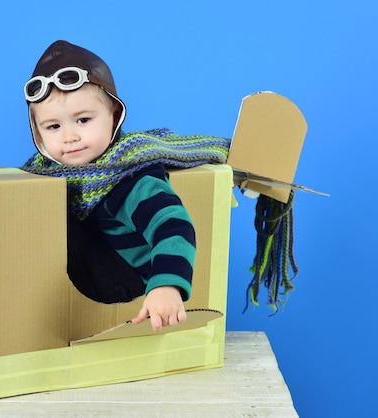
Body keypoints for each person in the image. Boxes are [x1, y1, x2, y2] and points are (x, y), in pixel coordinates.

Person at [20, 41, 226, 332]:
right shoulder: (49, 173)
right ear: (38, 133)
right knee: (28, 211)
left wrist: (166, 284)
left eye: (83, 120)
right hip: (98, 265)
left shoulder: (131, 177)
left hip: (131, 279)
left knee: (54, 228)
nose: (69, 136)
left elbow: (175, 227)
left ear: (114, 117)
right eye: (53, 127)